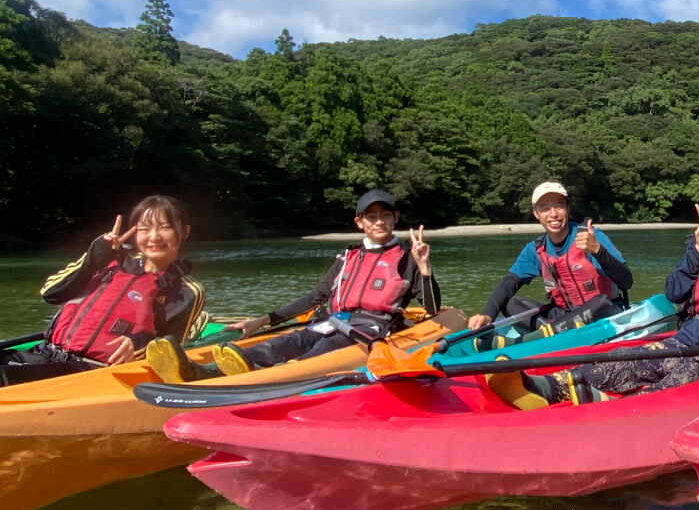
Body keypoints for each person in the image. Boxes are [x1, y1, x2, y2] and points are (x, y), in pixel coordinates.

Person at [487, 168, 699, 409]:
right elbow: (674, 293)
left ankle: (617, 411)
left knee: (683, 378)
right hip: (691, 338)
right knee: (622, 357)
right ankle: (545, 387)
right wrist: (697, 252)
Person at [147, 189, 439, 383]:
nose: (380, 222)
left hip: (367, 331)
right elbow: (315, 296)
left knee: (317, 351)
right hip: (333, 321)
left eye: (386, 215)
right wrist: (264, 320)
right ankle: (202, 372)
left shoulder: (407, 257)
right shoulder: (348, 257)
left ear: (395, 218)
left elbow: (432, 308)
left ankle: (257, 380)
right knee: (286, 341)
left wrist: (425, 269)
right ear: (359, 222)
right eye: (372, 216)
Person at [0, 195, 205, 386]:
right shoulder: (108, 259)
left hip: (87, 370)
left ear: (185, 231)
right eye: (144, 229)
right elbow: (51, 293)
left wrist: (138, 343)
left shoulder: (187, 291)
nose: (154, 237)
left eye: (165, 228)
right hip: (44, 352)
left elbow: (168, 350)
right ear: (135, 232)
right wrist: (94, 257)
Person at [465, 182, 633, 348]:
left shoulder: (591, 236)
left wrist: (598, 250)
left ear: (567, 208)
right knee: (508, 302)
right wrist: (487, 317)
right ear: (536, 214)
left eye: (559, 206)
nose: (553, 214)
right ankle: (554, 333)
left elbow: (627, 282)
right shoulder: (535, 249)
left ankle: (530, 341)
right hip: (563, 316)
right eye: (545, 208)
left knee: (600, 302)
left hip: (603, 315)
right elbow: (509, 283)